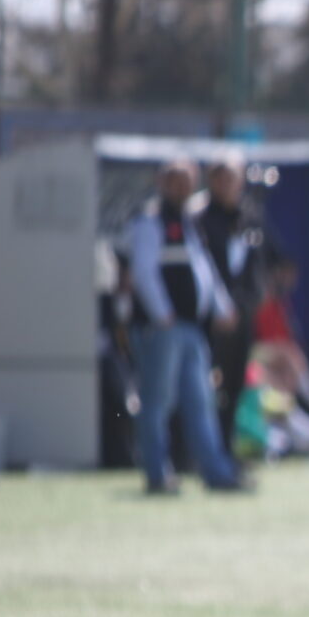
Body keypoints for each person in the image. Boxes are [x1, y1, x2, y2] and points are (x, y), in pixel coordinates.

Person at [124, 159, 246, 494]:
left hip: (192, 328)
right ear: (162, 183)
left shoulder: (189, 222)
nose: (183, 188)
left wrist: (222, 307)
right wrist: (162, 314)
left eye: (188, 181)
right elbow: (144, 273)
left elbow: (203, 271)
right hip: (162, 328)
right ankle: (157, 473)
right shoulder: (151, 221)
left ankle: (216, 472)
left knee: (201, 401)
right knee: (158, 402)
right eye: (177, 181)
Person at [197, 160, 284, 451]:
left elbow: (269, 261)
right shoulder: (200, 218)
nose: (226, 186)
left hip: (243, 316)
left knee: (235, 386)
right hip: (211, 319)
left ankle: (226, 450)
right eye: (220, 179)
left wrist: (256, 297)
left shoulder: (250, 217)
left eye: (231, 179)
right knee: (207, 386)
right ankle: (200, 452)